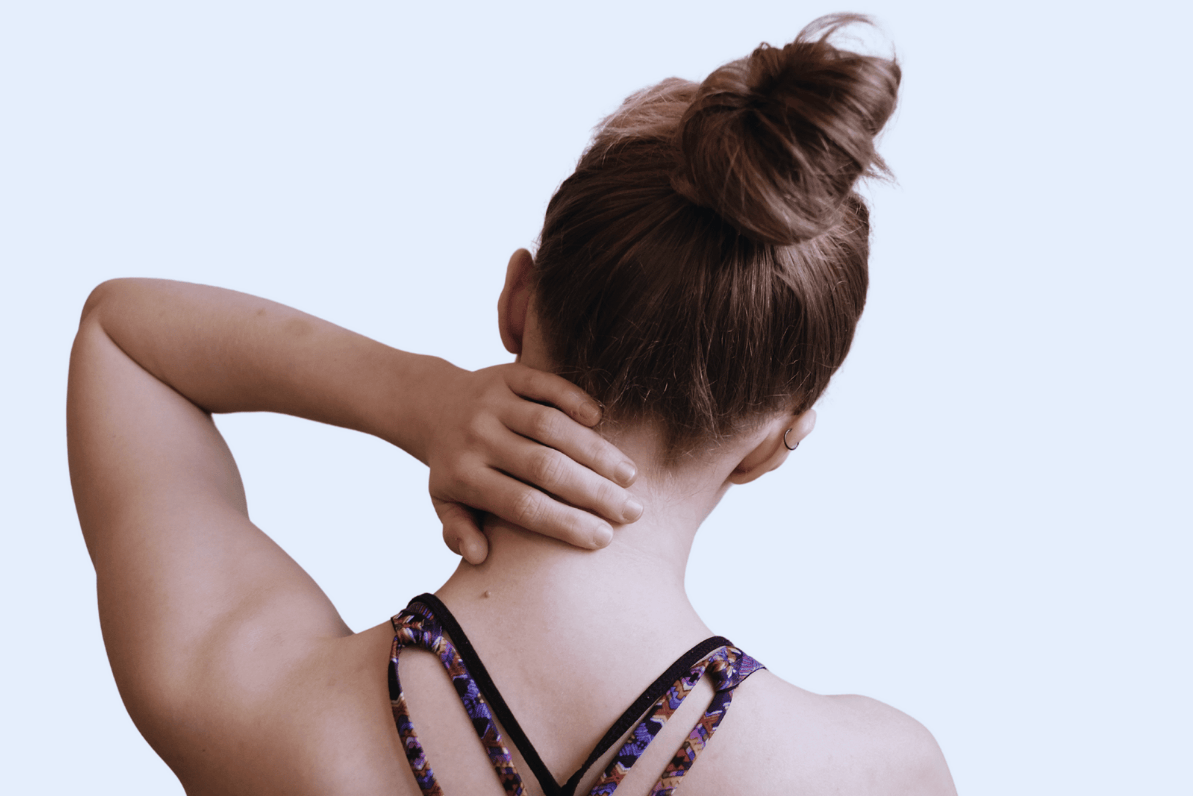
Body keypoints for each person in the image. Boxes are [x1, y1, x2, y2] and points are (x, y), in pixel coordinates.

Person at [68, 14, 957, 796]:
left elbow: (125, 336)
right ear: (779, 434)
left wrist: (411, 393)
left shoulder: (251, 694)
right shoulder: (875, 774)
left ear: (517, 301)